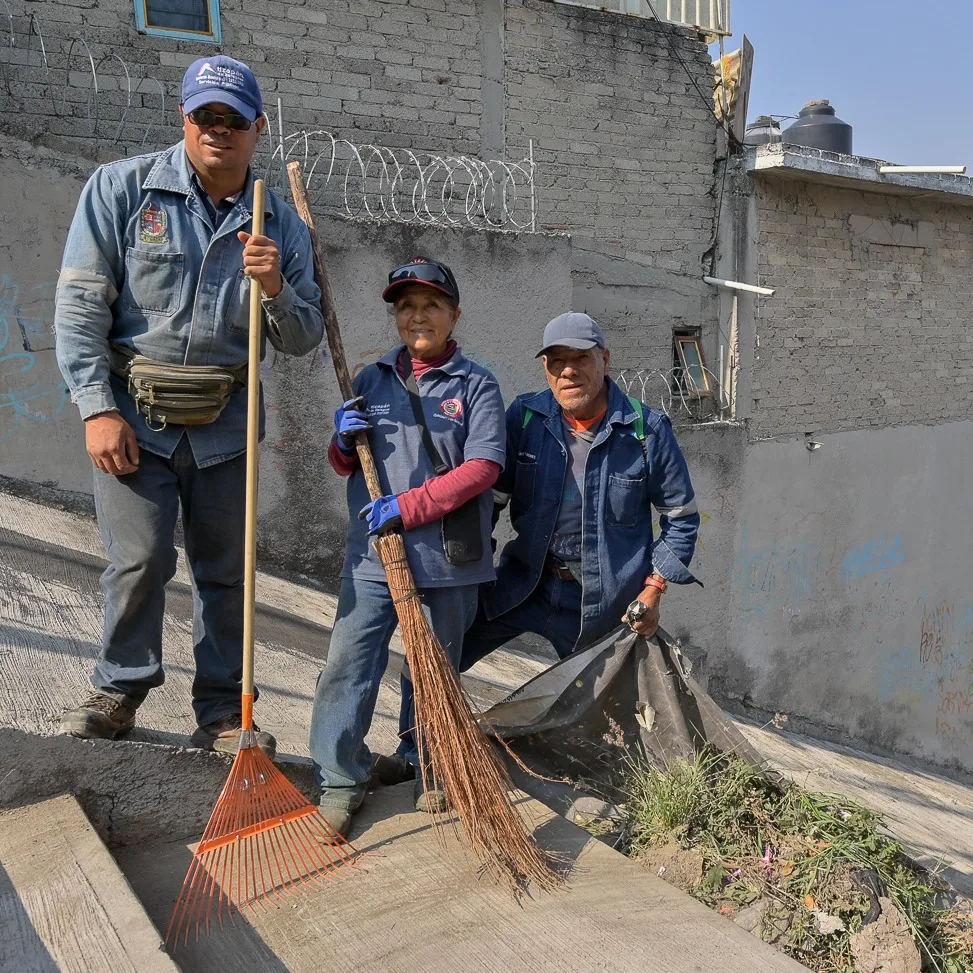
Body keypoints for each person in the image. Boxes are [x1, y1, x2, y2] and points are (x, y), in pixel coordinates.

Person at [54, 55, 324, 759]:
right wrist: (95, 408)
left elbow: (302, 339)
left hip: (227, 426)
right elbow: (80, 307)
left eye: (235, 120)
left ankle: (223, 711)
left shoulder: (279, 226)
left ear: (257, 130)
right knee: (139, 559)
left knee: (227, 573)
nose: (219, 130)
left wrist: (276, 288)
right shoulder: (121, 191)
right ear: (185, 118)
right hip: (132, 417)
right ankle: (119, 689)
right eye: (207, 116)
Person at [381, 312, 700, 772]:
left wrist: (654, 590)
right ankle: (417, 756)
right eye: (556, 361)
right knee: (433, 651)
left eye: (580, 358)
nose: (568, 371)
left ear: (604, 360)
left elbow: (681, 519)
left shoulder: (646, 432)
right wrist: (460, 565)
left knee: (599, 708)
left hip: (598, 600)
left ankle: (595, 784)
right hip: (525, 582)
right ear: (545, 370)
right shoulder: (526, 417)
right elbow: (489, 499)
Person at [309, 257, 506, 836]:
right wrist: (342, 443)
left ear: (454, 315)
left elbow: (483, 466)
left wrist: (409, 506)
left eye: (431, 305)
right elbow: (349, 463)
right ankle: (340, 779)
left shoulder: (478, 385)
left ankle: (429, 766)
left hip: (448, 559)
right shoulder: (371, 379)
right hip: (374, 558)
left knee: (434, 670)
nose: (418, 316)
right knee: (349, 664)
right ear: (397, 317)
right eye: (406, 307)